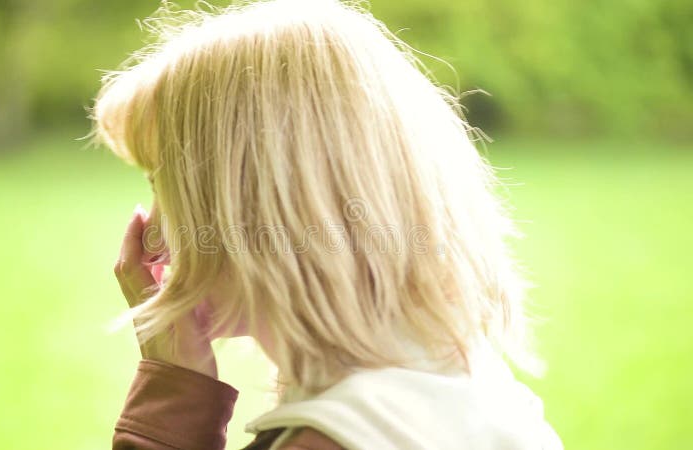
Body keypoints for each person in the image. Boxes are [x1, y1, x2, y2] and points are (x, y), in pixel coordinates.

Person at [92, 0, 564, 448]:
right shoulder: (480, 396)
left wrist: (171, 403)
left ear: (258, 206)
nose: (150, 233)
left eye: (163, 185)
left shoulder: (329, 440)